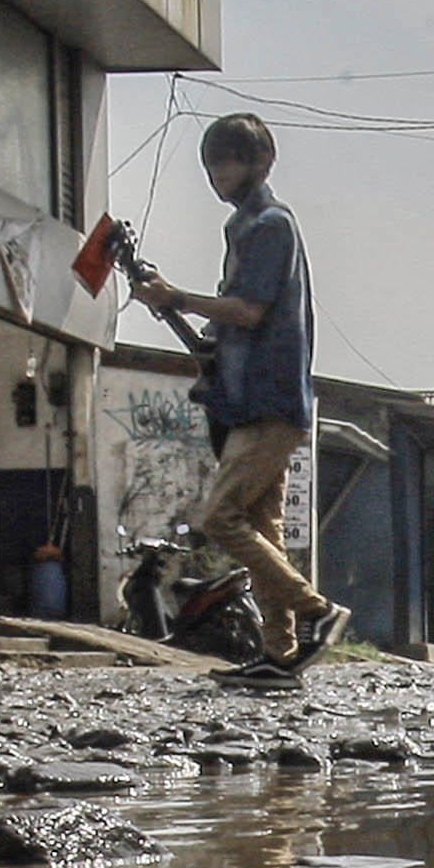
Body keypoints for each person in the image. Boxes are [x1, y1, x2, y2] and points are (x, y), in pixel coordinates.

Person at [131, 112, 346, 678]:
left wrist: (177, 297)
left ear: (259, 164)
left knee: (221, 518)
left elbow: (249, 311)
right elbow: (232, 326)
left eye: (225, 164)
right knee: (263, 527)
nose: (217, 177)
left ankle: (317, 610)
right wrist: (177, 309)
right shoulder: (245, 229)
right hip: (247, 399)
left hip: (268, 402)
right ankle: (280, 654)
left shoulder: (270, 226)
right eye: (211, 167)